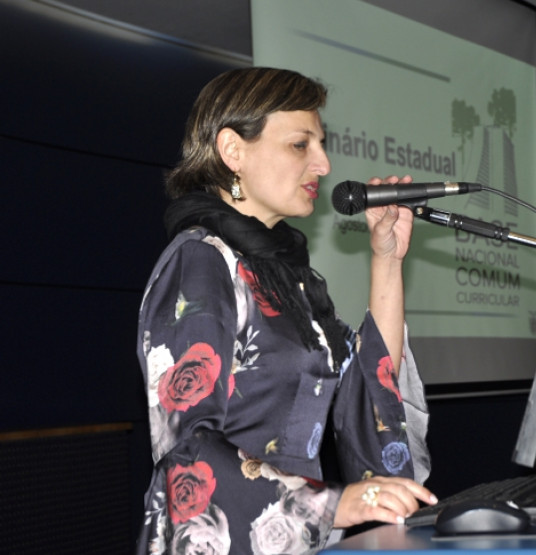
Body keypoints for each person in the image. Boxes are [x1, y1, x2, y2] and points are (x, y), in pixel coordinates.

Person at [136, 67, 435, 554]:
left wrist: (387, 259)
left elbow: (364, 393)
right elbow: (188, 443)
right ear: (233, 150)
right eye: (301, 145)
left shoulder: (285, 275)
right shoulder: (202, 260)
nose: (323, 164)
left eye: (321, 144)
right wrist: (332, 506)